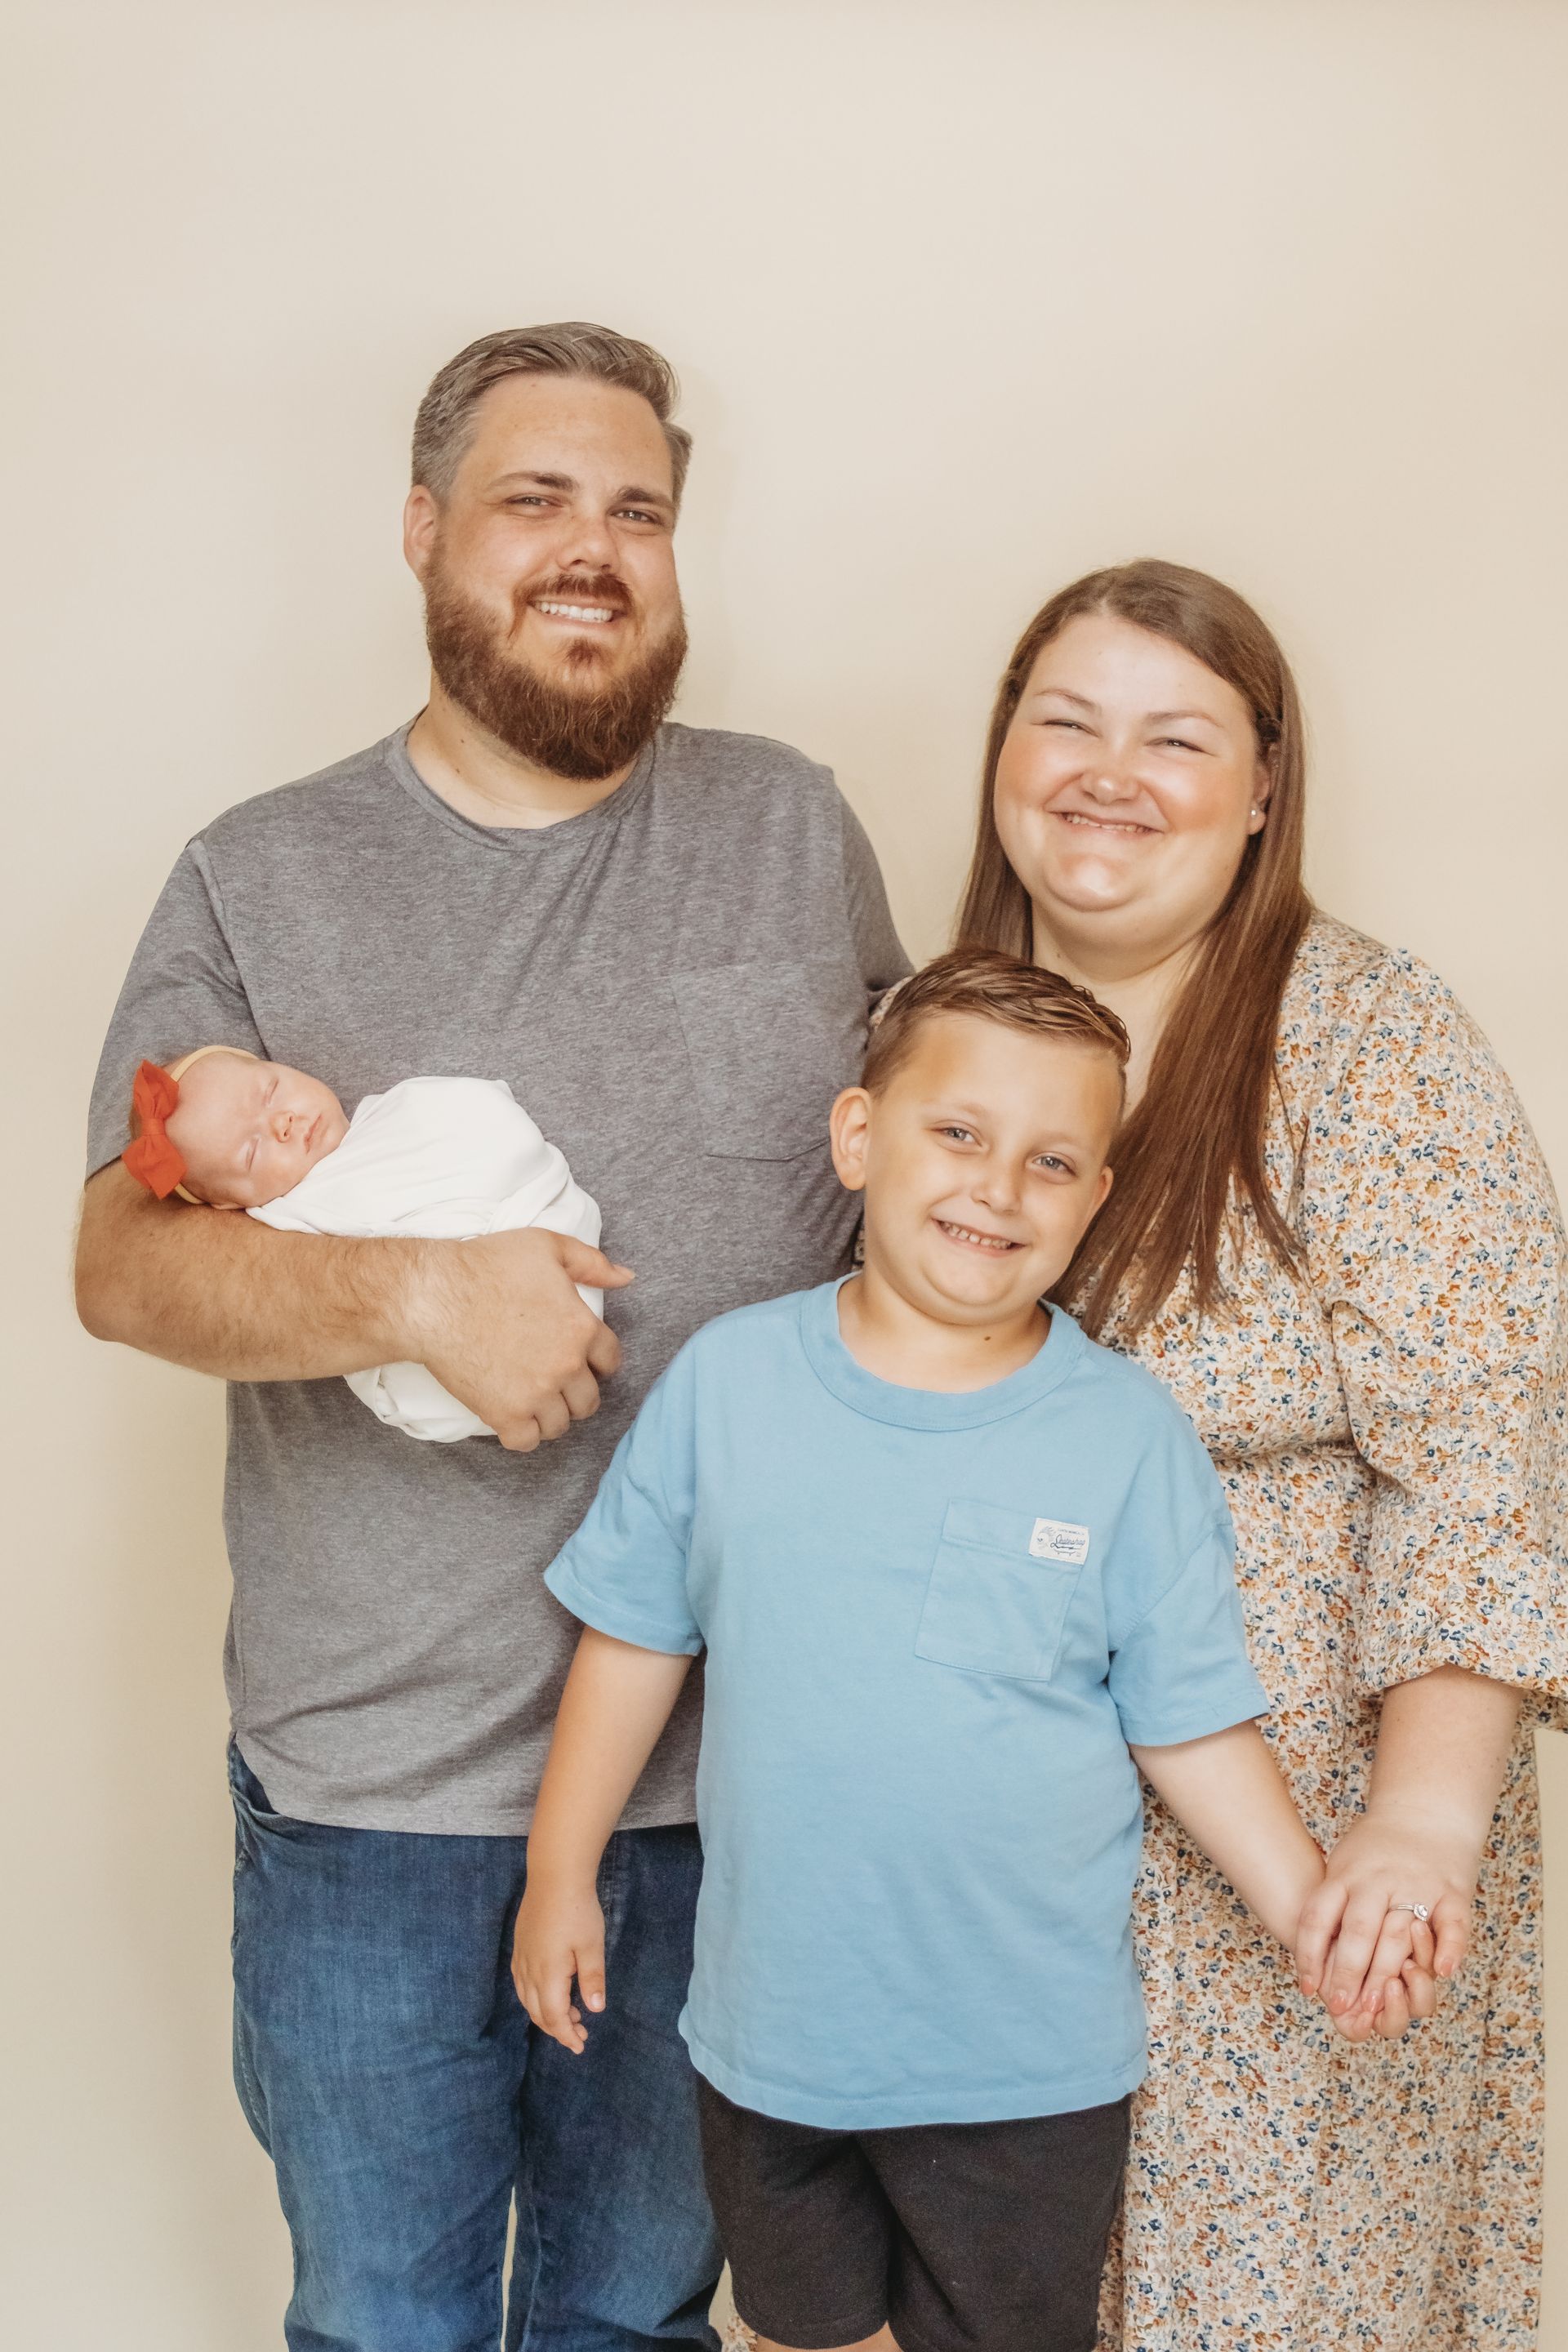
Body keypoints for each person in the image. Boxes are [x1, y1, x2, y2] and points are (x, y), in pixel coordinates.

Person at [74, 323, 908, 2352]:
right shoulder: (259, 874)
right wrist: (419, 1293)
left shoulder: (792, 830)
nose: (591, 548)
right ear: (423, 529)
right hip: (378, 1795)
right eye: (536, 499)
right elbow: (119, 1265)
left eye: (638, 510)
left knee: (637, 2315)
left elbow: (930, 1186)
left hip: (718, 1784)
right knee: (388, 2324)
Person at [511, 951, 1432, 2352]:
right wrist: (558, 1871)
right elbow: (633, 1641)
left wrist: (1314, 1914)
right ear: (859, 1136)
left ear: (1095, 1196)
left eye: (1052, 1161)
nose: (999, 1188)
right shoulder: (728, 1383)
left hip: (1025, 2069)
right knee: (798, 2339)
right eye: (959, 1132)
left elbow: (1187, 1721)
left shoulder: (1126, 1435)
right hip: (775, 2045)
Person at [955, 558, 1567, 2350]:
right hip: (993, 1873)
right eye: (1066, 722)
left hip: (1304, 1854)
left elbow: (1491, 1450)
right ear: (1001, 752)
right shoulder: (940, 1045)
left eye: (1177, 738)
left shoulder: (1371, 1039)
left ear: (1262, 790)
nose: (1108, 774)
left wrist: (1420, 1824)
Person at [120, 1049, 603, 1438]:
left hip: (540, 1236)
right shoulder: (285, 1229)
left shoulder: (401, 1108)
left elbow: (487, 1117)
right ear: (230, 1205)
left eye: (270, 1091)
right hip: (471, 1363)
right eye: (252, 1151)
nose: (281, 1123)